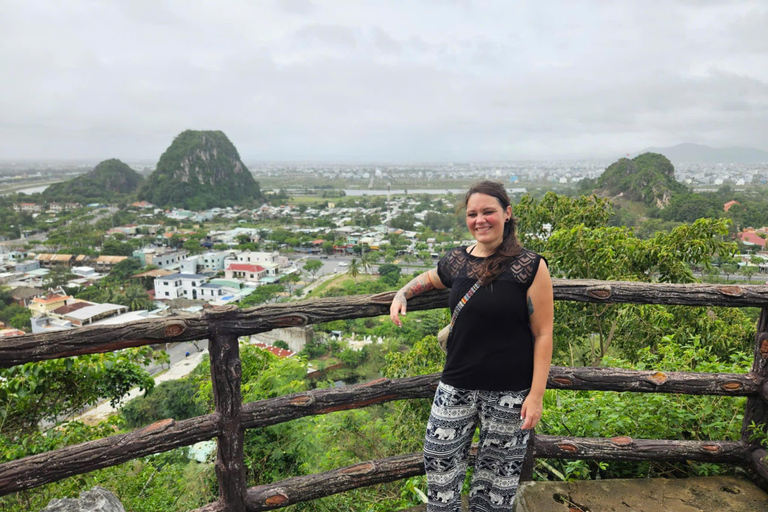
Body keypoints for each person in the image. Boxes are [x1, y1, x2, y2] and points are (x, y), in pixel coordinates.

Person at [390, 181, 553, 511]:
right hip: (456, 384)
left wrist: (535, 396)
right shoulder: (457, 261)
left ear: (507, 214)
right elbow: (430, 278)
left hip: (509, 391)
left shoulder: (531, 266)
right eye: (472, 214)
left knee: (496, 481)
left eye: (488, 212)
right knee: (439, 462)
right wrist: (402, 293)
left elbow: (544, 333)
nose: (480, 219)